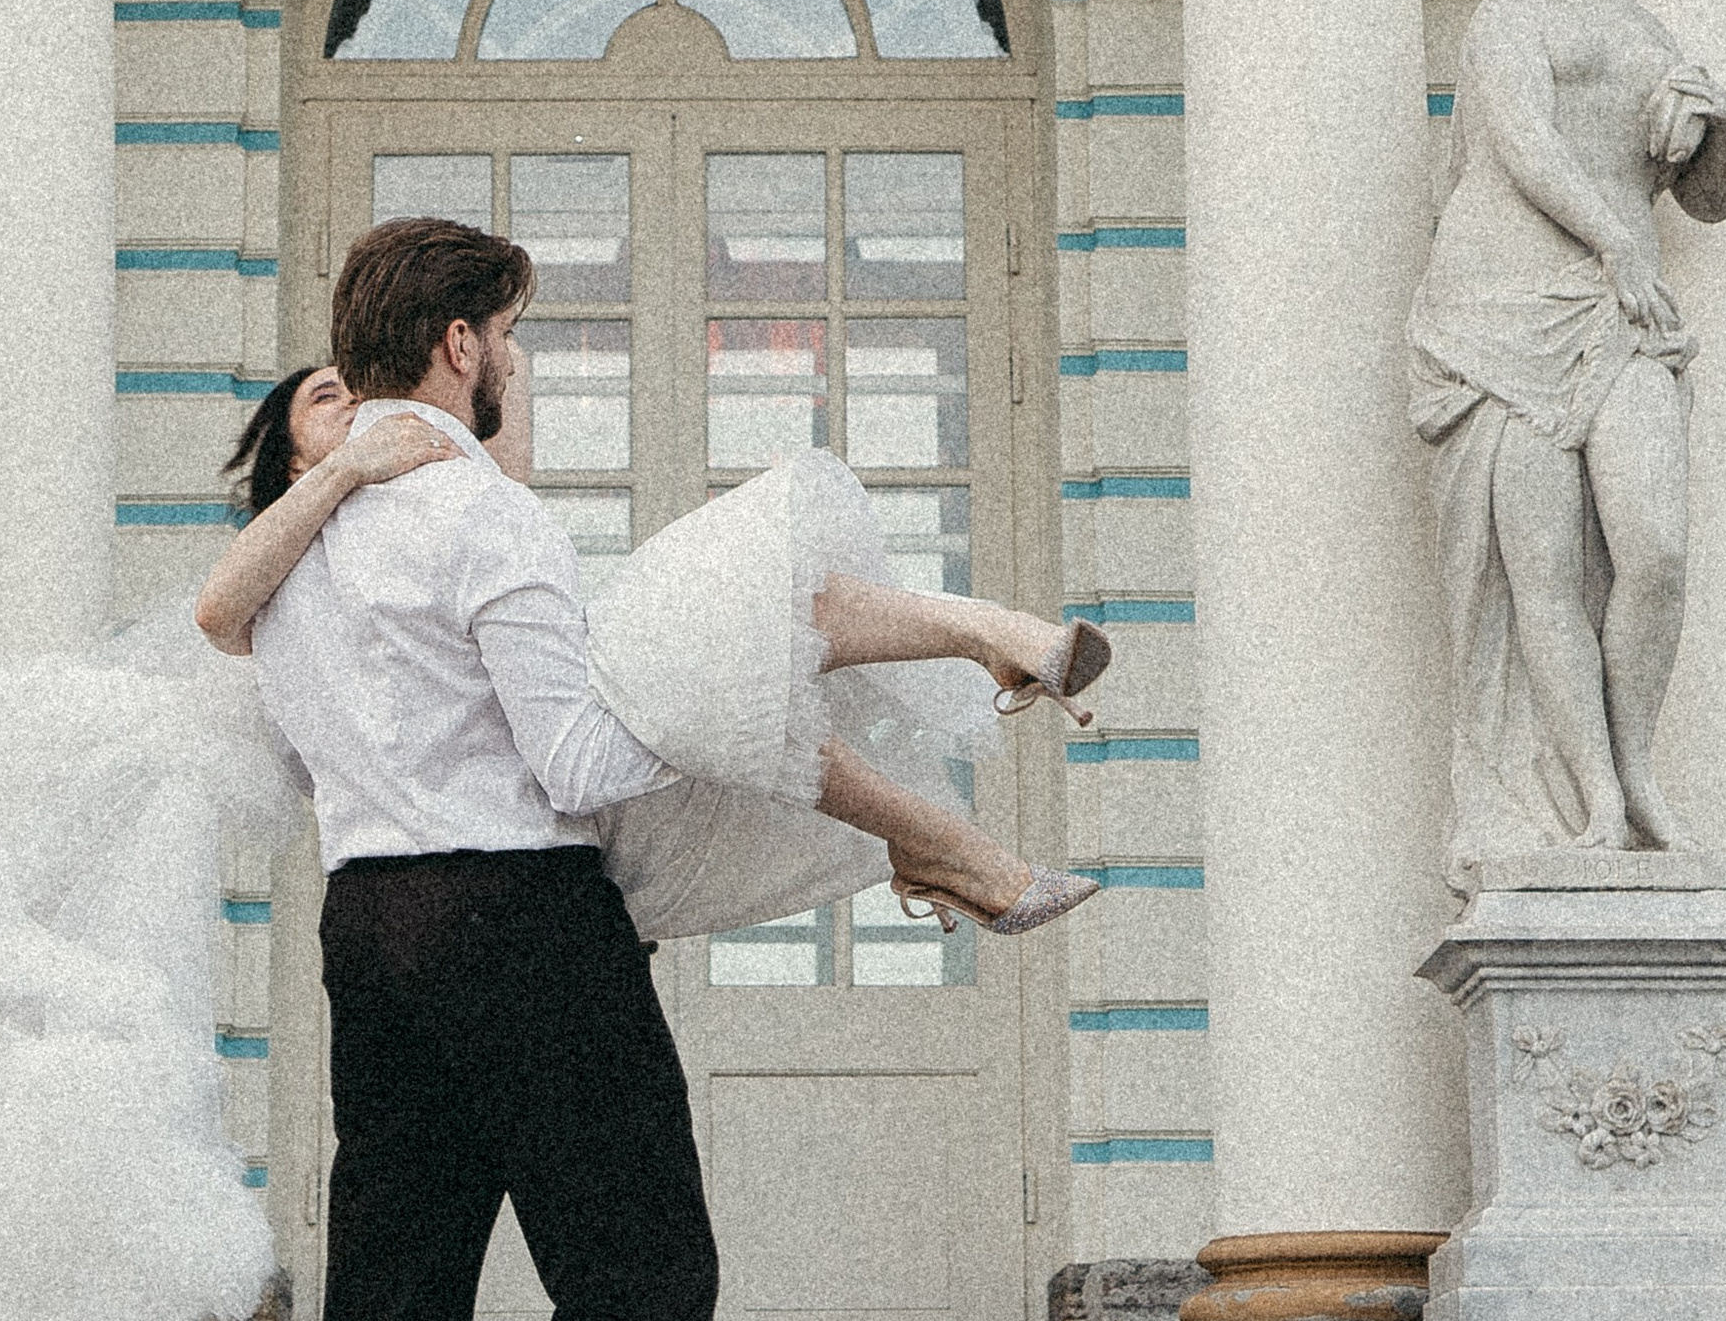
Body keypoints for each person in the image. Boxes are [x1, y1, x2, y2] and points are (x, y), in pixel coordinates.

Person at [220, 216, 1097, 1321]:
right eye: (516, 335)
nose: (521, 365)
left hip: (372, 924)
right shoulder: (486, 526)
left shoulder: (299, 548)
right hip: (522, 923)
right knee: (635, 1287)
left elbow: (290, 737)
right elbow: (577, 767)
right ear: (459, 345)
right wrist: (716, 727)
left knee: (388, 1320)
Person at [201, 351, 1107, 939]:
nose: (362, 407)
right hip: (526, 826)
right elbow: (217, 614)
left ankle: (981, 662)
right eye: (330, 400)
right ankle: (976, 683)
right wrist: (353, 467)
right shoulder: (294, 567)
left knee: (748, 623)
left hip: (568, 797)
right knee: (733, 655)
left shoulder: (452, 502)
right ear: (289, 461)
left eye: (366, 388)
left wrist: (484, 357)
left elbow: (506, 467)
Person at [1407, 0, 1726, 888]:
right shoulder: (1508, 16)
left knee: (1654, 551)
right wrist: (1612, 243)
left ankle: (1637, 768)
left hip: (1619, 311)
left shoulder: (1650, 33)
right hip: (1501, 306)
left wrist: (1721, 123)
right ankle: (1597, 798)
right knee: (1538, 572)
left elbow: (1704, 196)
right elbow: (1522, 143)